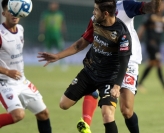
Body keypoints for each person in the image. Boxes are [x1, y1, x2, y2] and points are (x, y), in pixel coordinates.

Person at [38, 0, 132, 133]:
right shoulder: (94, 21)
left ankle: (93, 94)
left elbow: (124, 62)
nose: (93, 12)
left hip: (109, 78)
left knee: (107, 114)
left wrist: (117, 86)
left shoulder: (122, 33)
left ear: (105, 13)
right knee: (64, 104)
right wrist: (58, 56)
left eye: (96, 10)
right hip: (89, 71)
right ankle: (92, 92)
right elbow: (81, 43)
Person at [76, 0, 162, 133]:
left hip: (128, 60)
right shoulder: (99, 8)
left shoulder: (125, 5)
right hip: (106, 60)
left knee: (126, 110)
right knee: (102, 104)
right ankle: (86, 123)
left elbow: (153, 8)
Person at [0, 0, 52, 132]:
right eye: (10, 10)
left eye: (16, 9)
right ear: (4, 13)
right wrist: (6, 71)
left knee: (43, 114)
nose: (14, 12)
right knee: (18, 115)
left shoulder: (21, 30)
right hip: (4, 82)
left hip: (22, 81)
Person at [137, 0, 164, 92]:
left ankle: (139, 83)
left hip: (157, 44)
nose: (163, 6)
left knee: (152, 64)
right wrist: (137, 39)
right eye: (161, 4)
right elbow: (142, 28)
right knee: (158, 63)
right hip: (151, 43)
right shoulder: (150, 16)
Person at [39, 2, 67, 70]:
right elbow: (43, 24)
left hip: (57, 34)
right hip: (48, 34)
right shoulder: (46, 14)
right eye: (51, 4)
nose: (53, 6)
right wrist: (41, 33)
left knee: (61, 49)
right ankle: (49, 64)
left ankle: (62, 64)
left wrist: (64, 33)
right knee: (48, 49)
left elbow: (62, 24)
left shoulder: (60, 14)